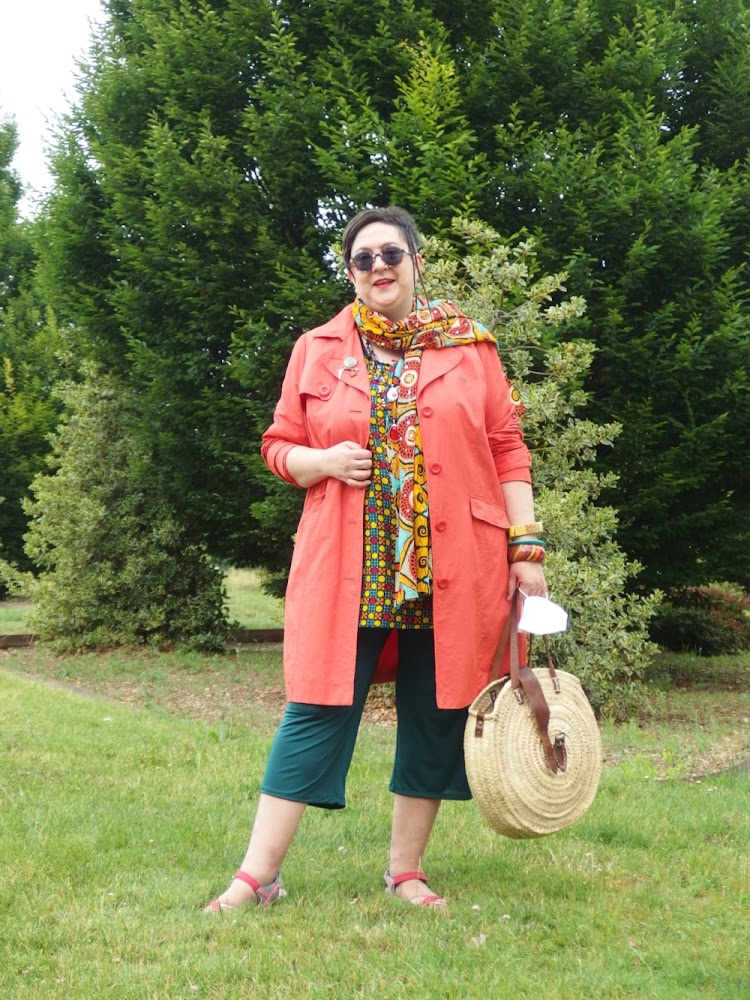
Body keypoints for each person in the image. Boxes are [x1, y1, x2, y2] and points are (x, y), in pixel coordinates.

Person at [205, 206, 547, 912]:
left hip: (455, 565)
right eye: (362, 258)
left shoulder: (470, 348)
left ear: (416, 261)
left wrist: (527, 546)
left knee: (436, 709)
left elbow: (507, 446)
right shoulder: (318, 348)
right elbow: (277, 445)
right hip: (348, 569)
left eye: (391, 253)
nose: (378, 266)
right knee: (315, 707)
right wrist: (322, 461)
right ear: (351, 273)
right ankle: (256, 877)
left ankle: (405, 872)